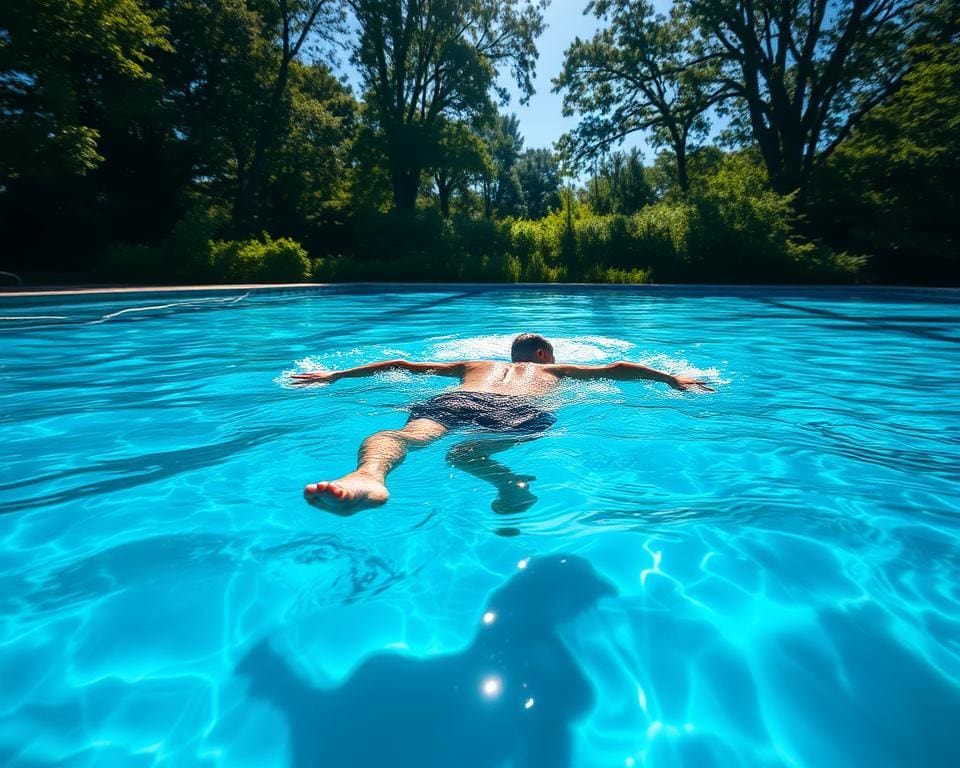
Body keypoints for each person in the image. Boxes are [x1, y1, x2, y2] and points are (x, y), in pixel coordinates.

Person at [291, 333, 714, 515]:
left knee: (397, 436)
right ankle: (510, 485)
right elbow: (620, 367)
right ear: (545, 355)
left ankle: (368, 477)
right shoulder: (558, 369)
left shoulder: (474, 363)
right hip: (515, 412)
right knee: (465, 455)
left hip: (456, 399)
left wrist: (333, 375)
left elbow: (399, 363)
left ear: (512, 357)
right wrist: (673, 378)